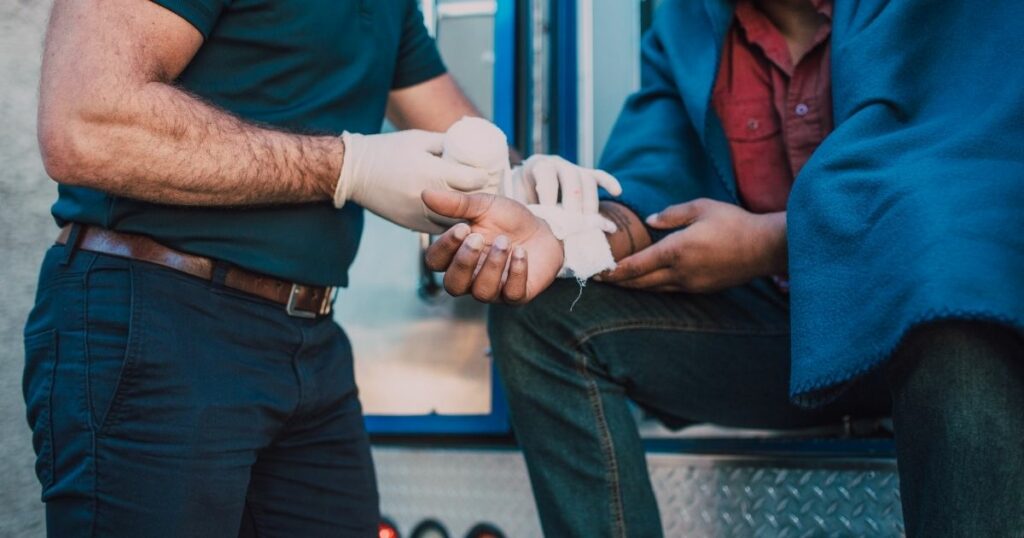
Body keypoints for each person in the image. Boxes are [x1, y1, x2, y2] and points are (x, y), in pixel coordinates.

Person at [424, 0, 1024, 536]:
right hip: (790, 345)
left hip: (927, 323)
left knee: (960, 315)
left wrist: (768, 243)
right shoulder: (686, 26)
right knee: (543, 319)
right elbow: (648, 193)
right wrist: (564, 234)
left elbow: (969, 186)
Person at [22, 1, 617, 536]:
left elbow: (463, 146)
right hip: (159, 320)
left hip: (309, 343)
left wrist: (526, 188)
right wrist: (345, 167)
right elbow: (85, 121)